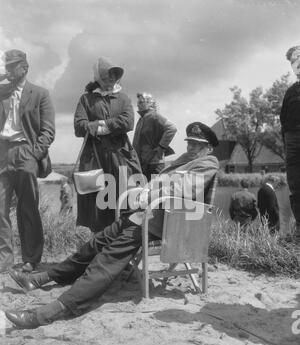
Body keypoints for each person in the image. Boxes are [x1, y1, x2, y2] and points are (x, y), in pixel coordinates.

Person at [5, 121, 219, 330]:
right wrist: (146, 192)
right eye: (189, 142)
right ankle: (43, 278)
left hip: (170, 225)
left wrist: (150, 194)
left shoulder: (208, 163)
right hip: (148, 215)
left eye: (196, 145)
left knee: (107, 259)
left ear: (208, 148)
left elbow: (183, 189)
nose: (191, 147)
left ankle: (52, 311)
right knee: (96, 243)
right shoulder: (185, 159)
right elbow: (161, 181)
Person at [0, 49, 55, 273]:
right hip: (2, 152)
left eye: (13, 66)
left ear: (25, 67)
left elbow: (48, 130)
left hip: (26, 151)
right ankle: (4, 260)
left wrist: (34, 154)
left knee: (28, 208)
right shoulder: (1, 92)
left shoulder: (40, 93)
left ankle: (31, 259)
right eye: (7, 66)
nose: (9, 69)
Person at [74, 56, 142, 233]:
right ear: (98, 78)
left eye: (113, 77)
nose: (110, 81)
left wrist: (103, 126)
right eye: (105, 78)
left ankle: (121, 245)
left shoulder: (124, 99)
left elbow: (128, 122)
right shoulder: (86, 99)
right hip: (95, 159)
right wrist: (101, 126)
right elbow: (79, 126)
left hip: (120, 157)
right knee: (97, 204)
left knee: (124, 198)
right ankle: (97, 248)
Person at [280, 46, 300, 242]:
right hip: (292, 140)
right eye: (293, 61)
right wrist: (287, 143)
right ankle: (299, 229)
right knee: (295, 185)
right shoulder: (290, 91)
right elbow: (283, 120)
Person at [133, 92, 176, 181]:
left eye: (141, 102)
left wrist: (161, 148)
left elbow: (172, 128)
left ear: (150, 103)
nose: (138, 105)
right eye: (138, 103)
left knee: (156, 191)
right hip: (144, 163)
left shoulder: (153, 116)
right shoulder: (142, 119)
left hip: (154, 163)